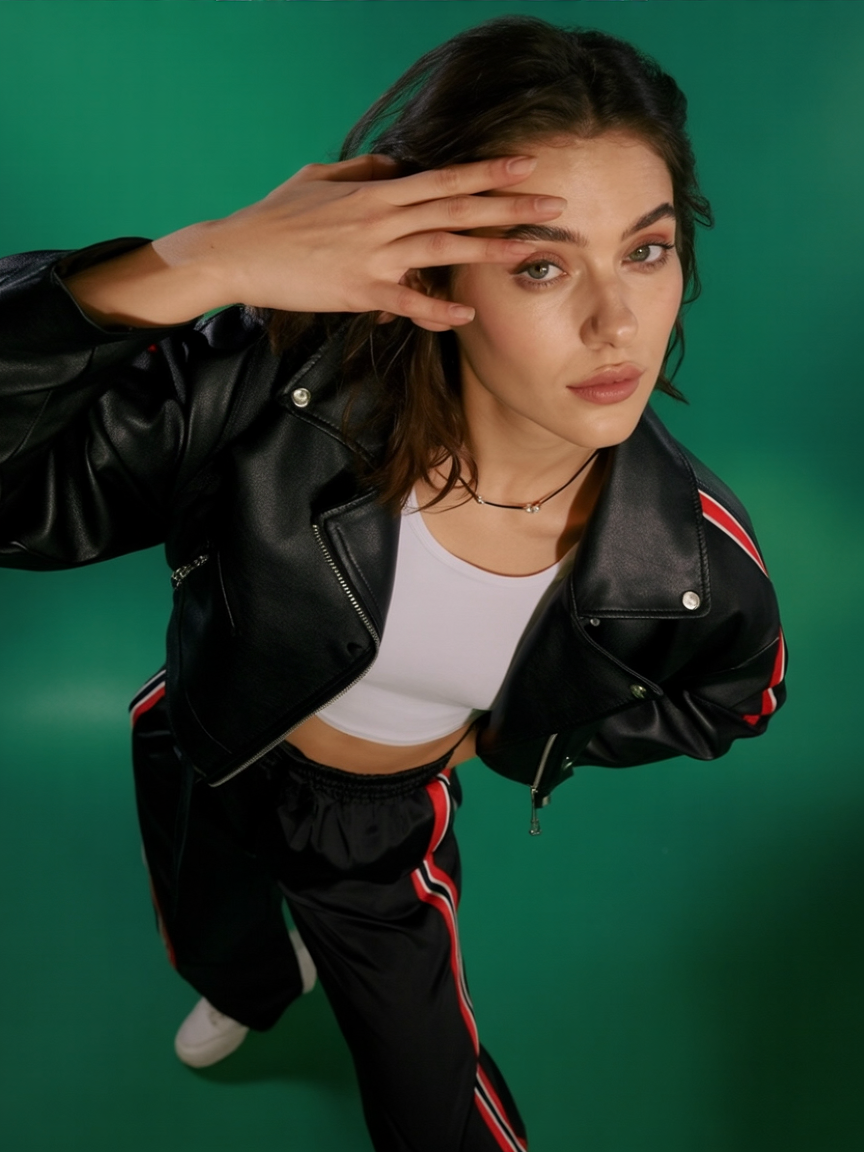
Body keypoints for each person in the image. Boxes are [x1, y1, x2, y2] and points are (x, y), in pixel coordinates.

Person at [0, 15, 785, 1152]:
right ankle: (256, 987)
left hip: (374, 827)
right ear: (433, 271)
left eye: (647, 251)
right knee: (212, 926)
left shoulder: (692, 560)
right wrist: (203, 260)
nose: (617, 323)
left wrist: (521, 737)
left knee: (428, 1089)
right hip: (204, 725)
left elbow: (740, 699)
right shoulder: (270, 392)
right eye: (541, 264)